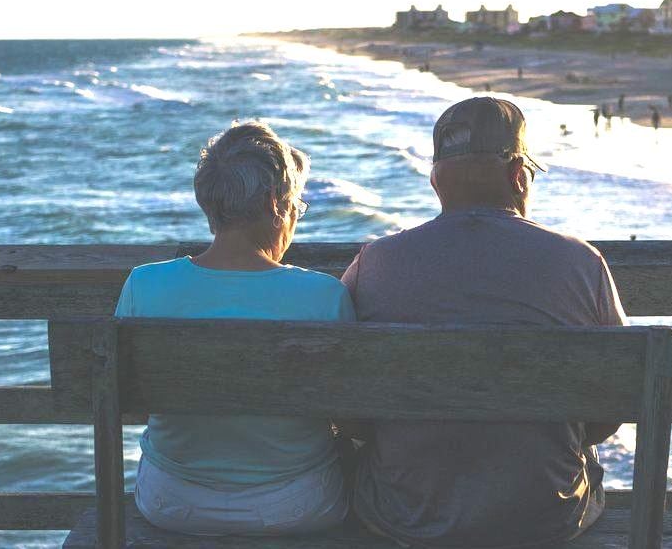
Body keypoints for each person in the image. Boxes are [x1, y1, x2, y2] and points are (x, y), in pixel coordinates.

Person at [341, 97, 627, 547]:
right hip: (547, 515)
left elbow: (347, 406)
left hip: (406, 517)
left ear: (436, 182)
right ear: (518, 177)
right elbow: (615, 404)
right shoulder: (580, 262)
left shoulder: (375, 262)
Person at [116, 122, 353, 536]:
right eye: (297, 204)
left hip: (171, 501)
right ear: (274, 202)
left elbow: (129, 403)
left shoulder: (143, 284)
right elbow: (352, 415)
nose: (296, 216)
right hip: (297, 505)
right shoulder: (323, 296)